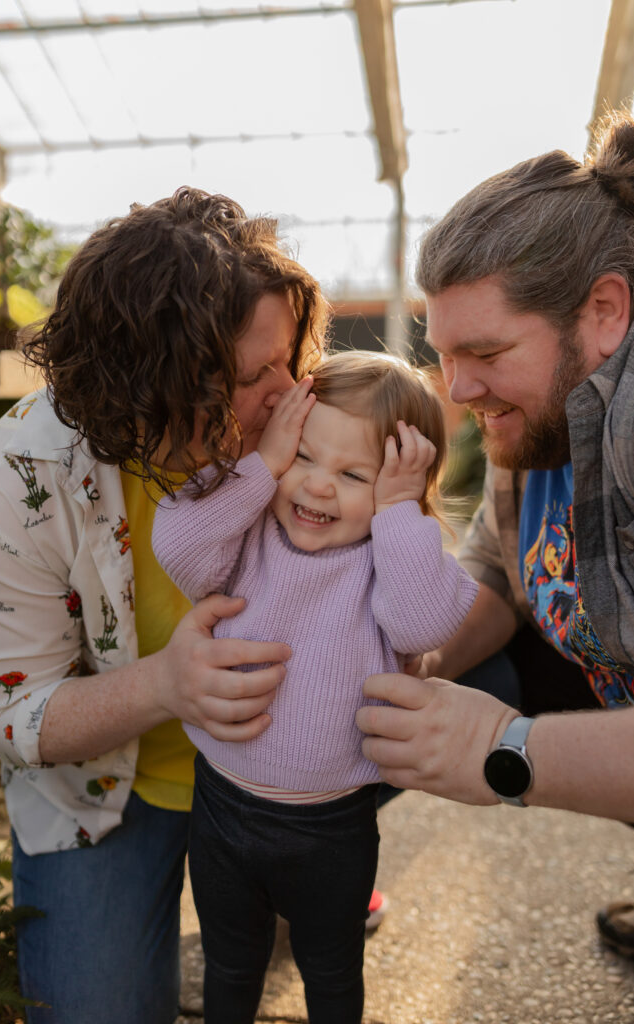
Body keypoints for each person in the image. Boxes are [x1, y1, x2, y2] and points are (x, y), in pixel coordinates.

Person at [0, 186, 330, 1023]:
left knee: (487, 674)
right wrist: (168, 686)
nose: (290, 394)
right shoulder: (22, 474)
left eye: (290, 357)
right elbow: (7, 712)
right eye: (252, 377)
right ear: (153, 390)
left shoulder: (301, 419)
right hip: (103, 797)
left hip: (273, 764)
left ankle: (289, 872)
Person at [356, 113, 634, 967]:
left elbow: (495, 742)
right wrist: (405, 662)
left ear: (604, 308)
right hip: (625, 691)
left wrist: (502, 750)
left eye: (484, 351)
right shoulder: (539, 411)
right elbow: (499, 565)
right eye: (444, 354)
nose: (456, 388)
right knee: (439, 670)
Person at [152, 349, 478, 1024]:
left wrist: (395, 514)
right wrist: (260, 468)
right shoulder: (246, 538)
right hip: (224, 810)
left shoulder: (384, 563)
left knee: (331, 974)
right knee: (230, 963)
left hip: (332, 827)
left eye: (354, 474)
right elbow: (177, 546)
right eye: (303, 456)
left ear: (398, 489)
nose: (318, 486)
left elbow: (424, 622)